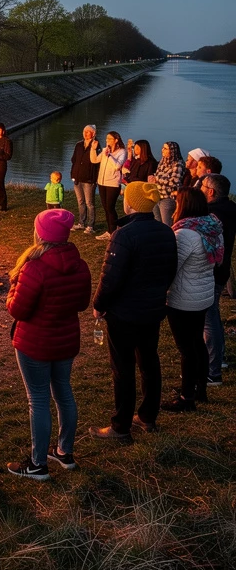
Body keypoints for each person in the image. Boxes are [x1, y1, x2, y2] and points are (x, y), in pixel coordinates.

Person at [5, 209, 92, 479]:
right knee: (63, 392)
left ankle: (37, 463)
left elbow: (17, 310)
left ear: (40, 234)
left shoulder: (34, 268)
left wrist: (11, 290)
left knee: (38, 399)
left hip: (35, 344)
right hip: (65, 341)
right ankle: (64, 451)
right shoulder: (80, 265)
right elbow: (81, 304)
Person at [89, 181, 178, 442]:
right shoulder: (165, 231)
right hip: (152, 309)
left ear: (131, 203)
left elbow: (110, 278)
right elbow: (170, 270)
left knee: (123, 367)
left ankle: (120, 426)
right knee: (149, 361)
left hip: (125, 313)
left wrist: (99, 305)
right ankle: (148, 416)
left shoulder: (125, 235)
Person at [160, 189, 222, 412]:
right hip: (203, 293)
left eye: (177, 202)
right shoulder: (212, 227)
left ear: (184, 205)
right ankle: (200, 389)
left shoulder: (185, 233)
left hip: (184, 298)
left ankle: (187, 398)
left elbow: (172, 266)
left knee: (187, 348)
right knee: (197, 343)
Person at [203, 174, 235, 386]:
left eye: (204, 186)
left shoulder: (212, 214)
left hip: (211, 272)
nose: (201, 189)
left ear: (211, 192)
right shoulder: (231, 208)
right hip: (222, 270)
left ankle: (213, 368)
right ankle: (217, 359)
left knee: (209, 317)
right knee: (212, 314)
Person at [92, 131, 127, 240]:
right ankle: (110, 230)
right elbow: (94, 160)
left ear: (116, 140)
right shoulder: (104, 150)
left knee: (110, 207)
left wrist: (109, 155)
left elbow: (117, 166)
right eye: (106, 139)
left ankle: (114, 231)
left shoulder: (122, 152)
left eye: (110, 139)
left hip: (113, 183)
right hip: (102, 182)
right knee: (106, 207)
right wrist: (93, 149)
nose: (107, 141)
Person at [70, 126, 100, 234]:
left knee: (89, 203)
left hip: (89, 179)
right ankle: (81, 223)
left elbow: (97, 163)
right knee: (80, 201)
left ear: (93, 133)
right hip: (77, 178)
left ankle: (90, 225)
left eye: (89, 132)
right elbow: (74, 160)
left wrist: (95, 179)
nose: (86, 134)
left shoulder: (96, 145)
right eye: (85, 132)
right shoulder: (78, 145)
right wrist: (73, 174)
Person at [151, 142, 187, 226]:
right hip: (157, 196)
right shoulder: (162, 162)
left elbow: (174, 182)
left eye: (165, 149)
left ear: (172, 151)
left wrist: (158, 179)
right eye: (163, 148)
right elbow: (157, 175)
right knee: (156, 222)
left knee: (167, 224)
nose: (162, 150)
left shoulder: (178, 164)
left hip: (168, 198)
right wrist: (158, 179)